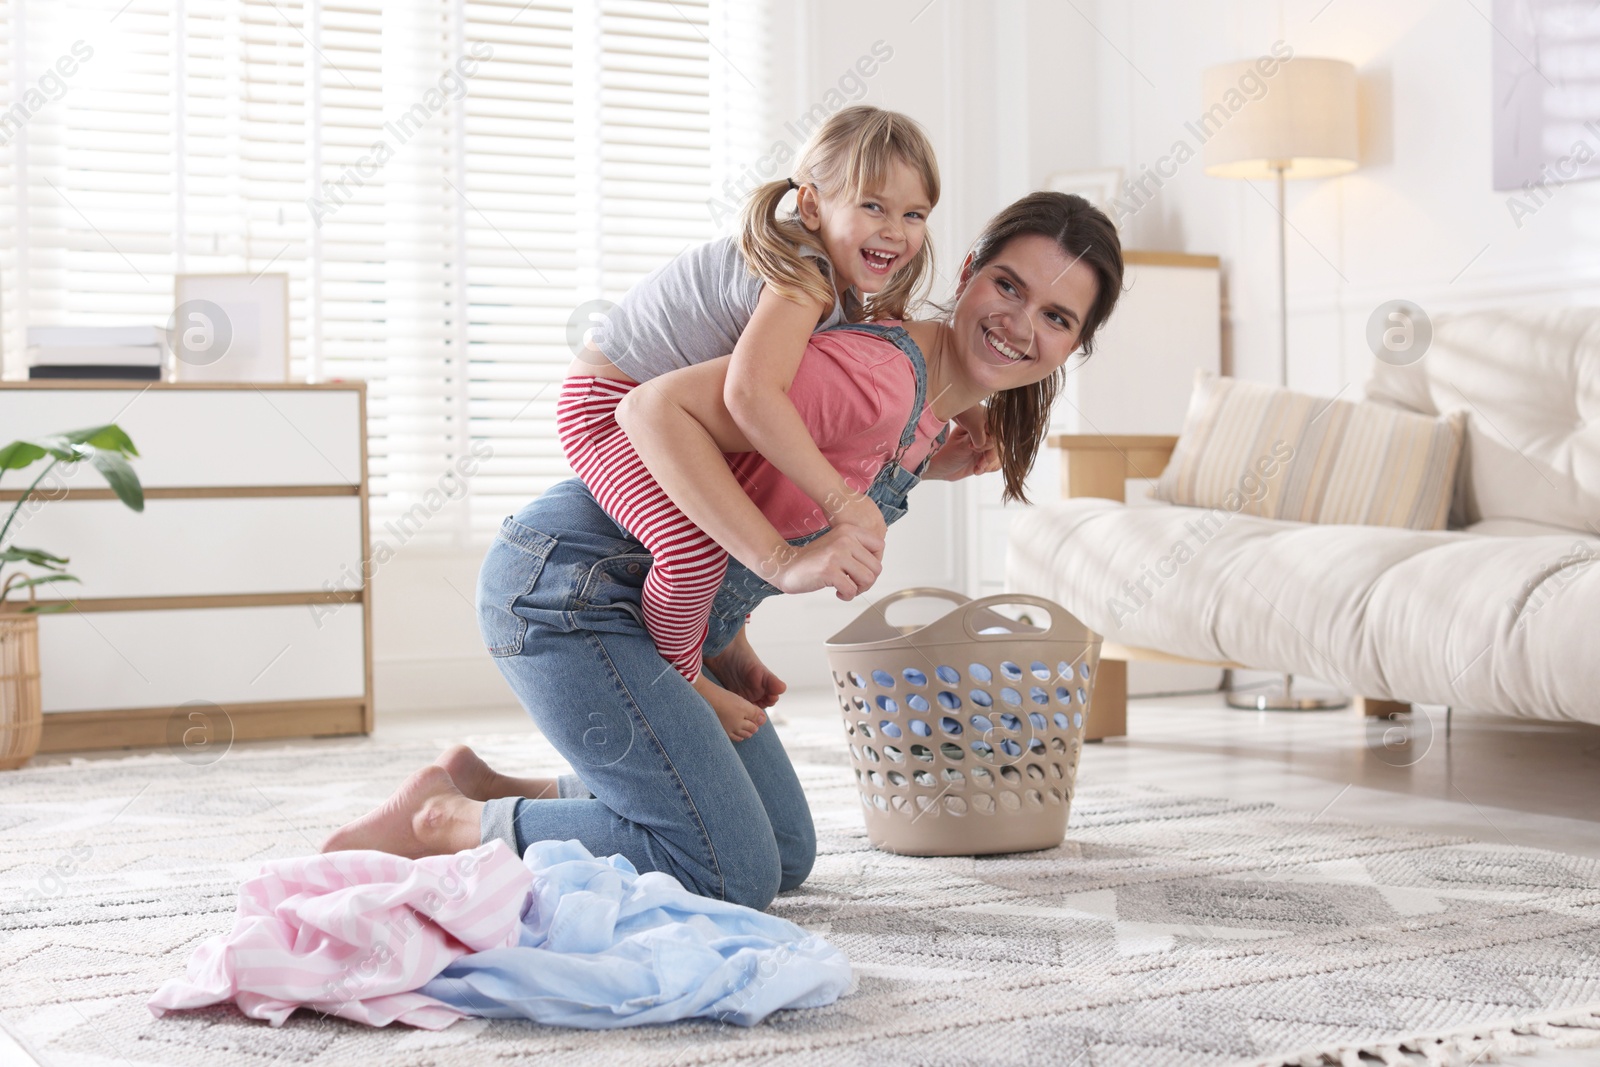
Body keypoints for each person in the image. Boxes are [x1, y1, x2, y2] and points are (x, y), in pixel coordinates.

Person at [321, 192, 1125, 913]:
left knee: (784, 852)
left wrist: (729, 628)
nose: (1021, 323)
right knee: (729, 868)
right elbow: (652, 409)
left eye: (1058, 317)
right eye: (1009, 286)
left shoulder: (924, 416)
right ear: (969, 268)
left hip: (645, 607)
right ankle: (451, 823)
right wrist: (784, 564)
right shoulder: (877, 376)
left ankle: (482, 785)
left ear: (1076, 346)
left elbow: (759, 485)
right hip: (568, 592)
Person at [560, 105, 985, 742]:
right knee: (696, 543)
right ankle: (682, 676)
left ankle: (722, 637)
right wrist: (839, 503)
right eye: (873, 206)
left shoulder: (831, 284)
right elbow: (753, 395)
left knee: (748, 494)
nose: (895, 230)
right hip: (605, 410)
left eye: (914, 213)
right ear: (812, 206)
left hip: (653, 402)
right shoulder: (805, 275)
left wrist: (959, 416)